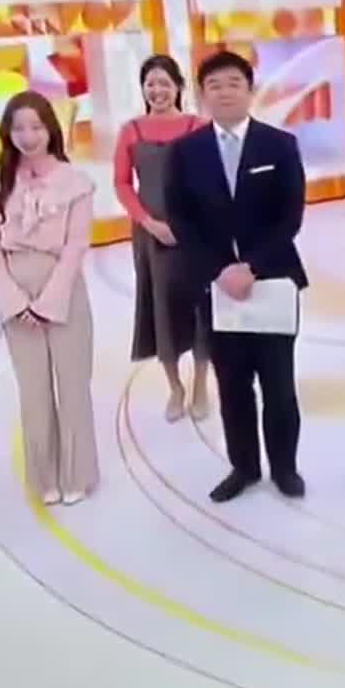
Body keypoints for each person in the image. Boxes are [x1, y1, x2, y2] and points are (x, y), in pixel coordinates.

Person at [166, 50, 309, 503]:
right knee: (232, 385)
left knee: (279, 385)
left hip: (272, 282)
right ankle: (243, 467)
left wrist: (253, 266)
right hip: (216, 289)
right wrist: (218, 270)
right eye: (214, 85)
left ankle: (284, 468)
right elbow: (180, 219)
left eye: (234, 83)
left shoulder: (279, 145)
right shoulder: (185, 152)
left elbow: (290, 216)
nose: (224, 92)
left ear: (250, 90)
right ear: (202, 94)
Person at [0, 91, 100, 506]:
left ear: (50, 130)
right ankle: (44, 477)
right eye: (19, 128)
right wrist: (13, 300)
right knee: (33, 392)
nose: (28, 136)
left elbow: (77, 245)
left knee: (73, 386)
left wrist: (49, 302)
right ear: (7, 133)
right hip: (15, 286)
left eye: (36, 127)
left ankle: (77, 474)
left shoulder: (76, 181)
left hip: (63, 287)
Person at [114, 54, 211, 422]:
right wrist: (149, 222)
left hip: (196, 234)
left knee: (201, 310)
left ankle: (201, 386)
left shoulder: (198, 126)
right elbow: (122, 183)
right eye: (150, 83)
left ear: (179, 87)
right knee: (162, 310)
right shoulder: (131, 131)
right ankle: (175, 388)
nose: (157, 90)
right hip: (151, 237)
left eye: (164, 83)